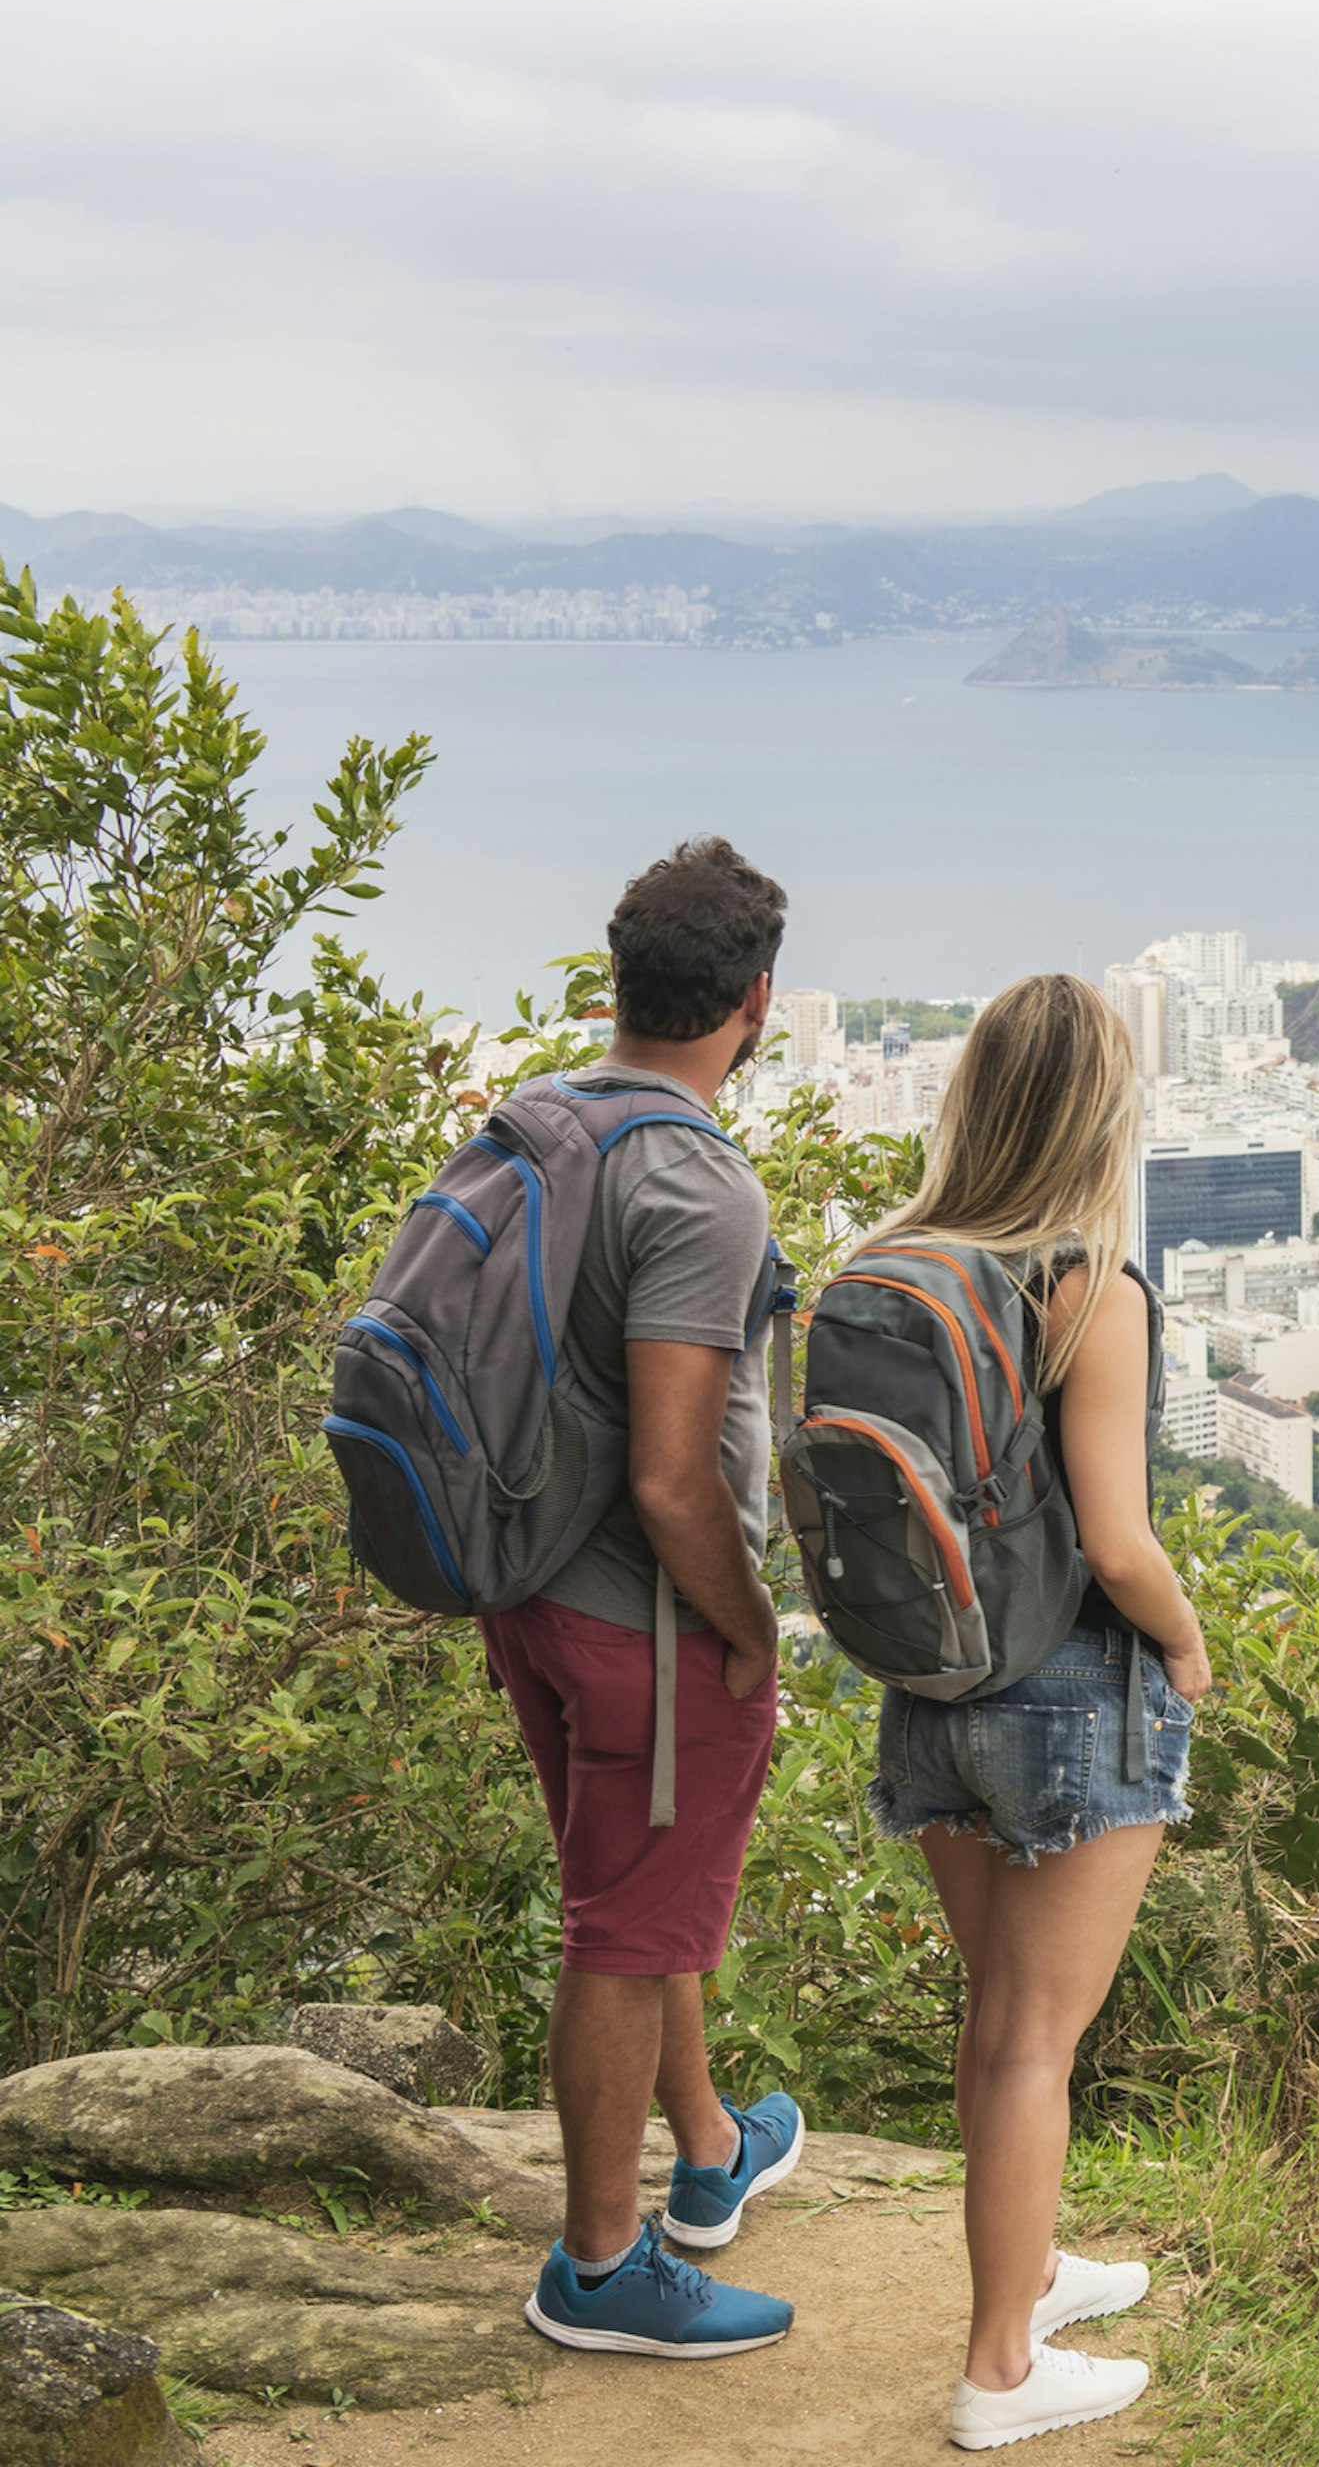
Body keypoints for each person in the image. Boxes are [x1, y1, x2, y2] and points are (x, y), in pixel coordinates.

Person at [854, 973, 1214, 2451]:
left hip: (928, 1687)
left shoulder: (890, 1263)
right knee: (1032, 2043)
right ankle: (1000, 2370)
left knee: (999, 2021)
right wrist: (1187, 1650)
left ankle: (1035, 2273)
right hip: (1068, 1694)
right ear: (1099, 1117)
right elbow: (1117, 1542)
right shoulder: (1089, 1283)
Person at [501, 839, 812, 2358]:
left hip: (530, 1584)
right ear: (756, 1001)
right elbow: (679, 1482)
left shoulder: (544, 1123)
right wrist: (748, 1624)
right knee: (625, 1930)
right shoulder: (696, 1179)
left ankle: (707, 2152)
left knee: (643, 1887)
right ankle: (602, 2267)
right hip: (646, 1616)